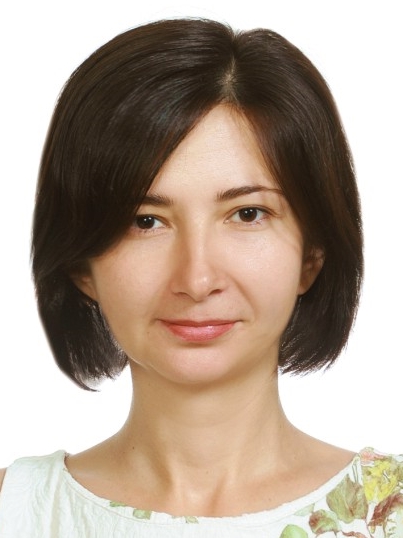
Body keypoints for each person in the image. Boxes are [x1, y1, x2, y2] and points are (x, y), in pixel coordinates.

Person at [0, 17, 401, 538]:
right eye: (146, 221)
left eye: (248, 214)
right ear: (81, 263)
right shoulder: (15, 512)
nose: (197, 279)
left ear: (312, 254)